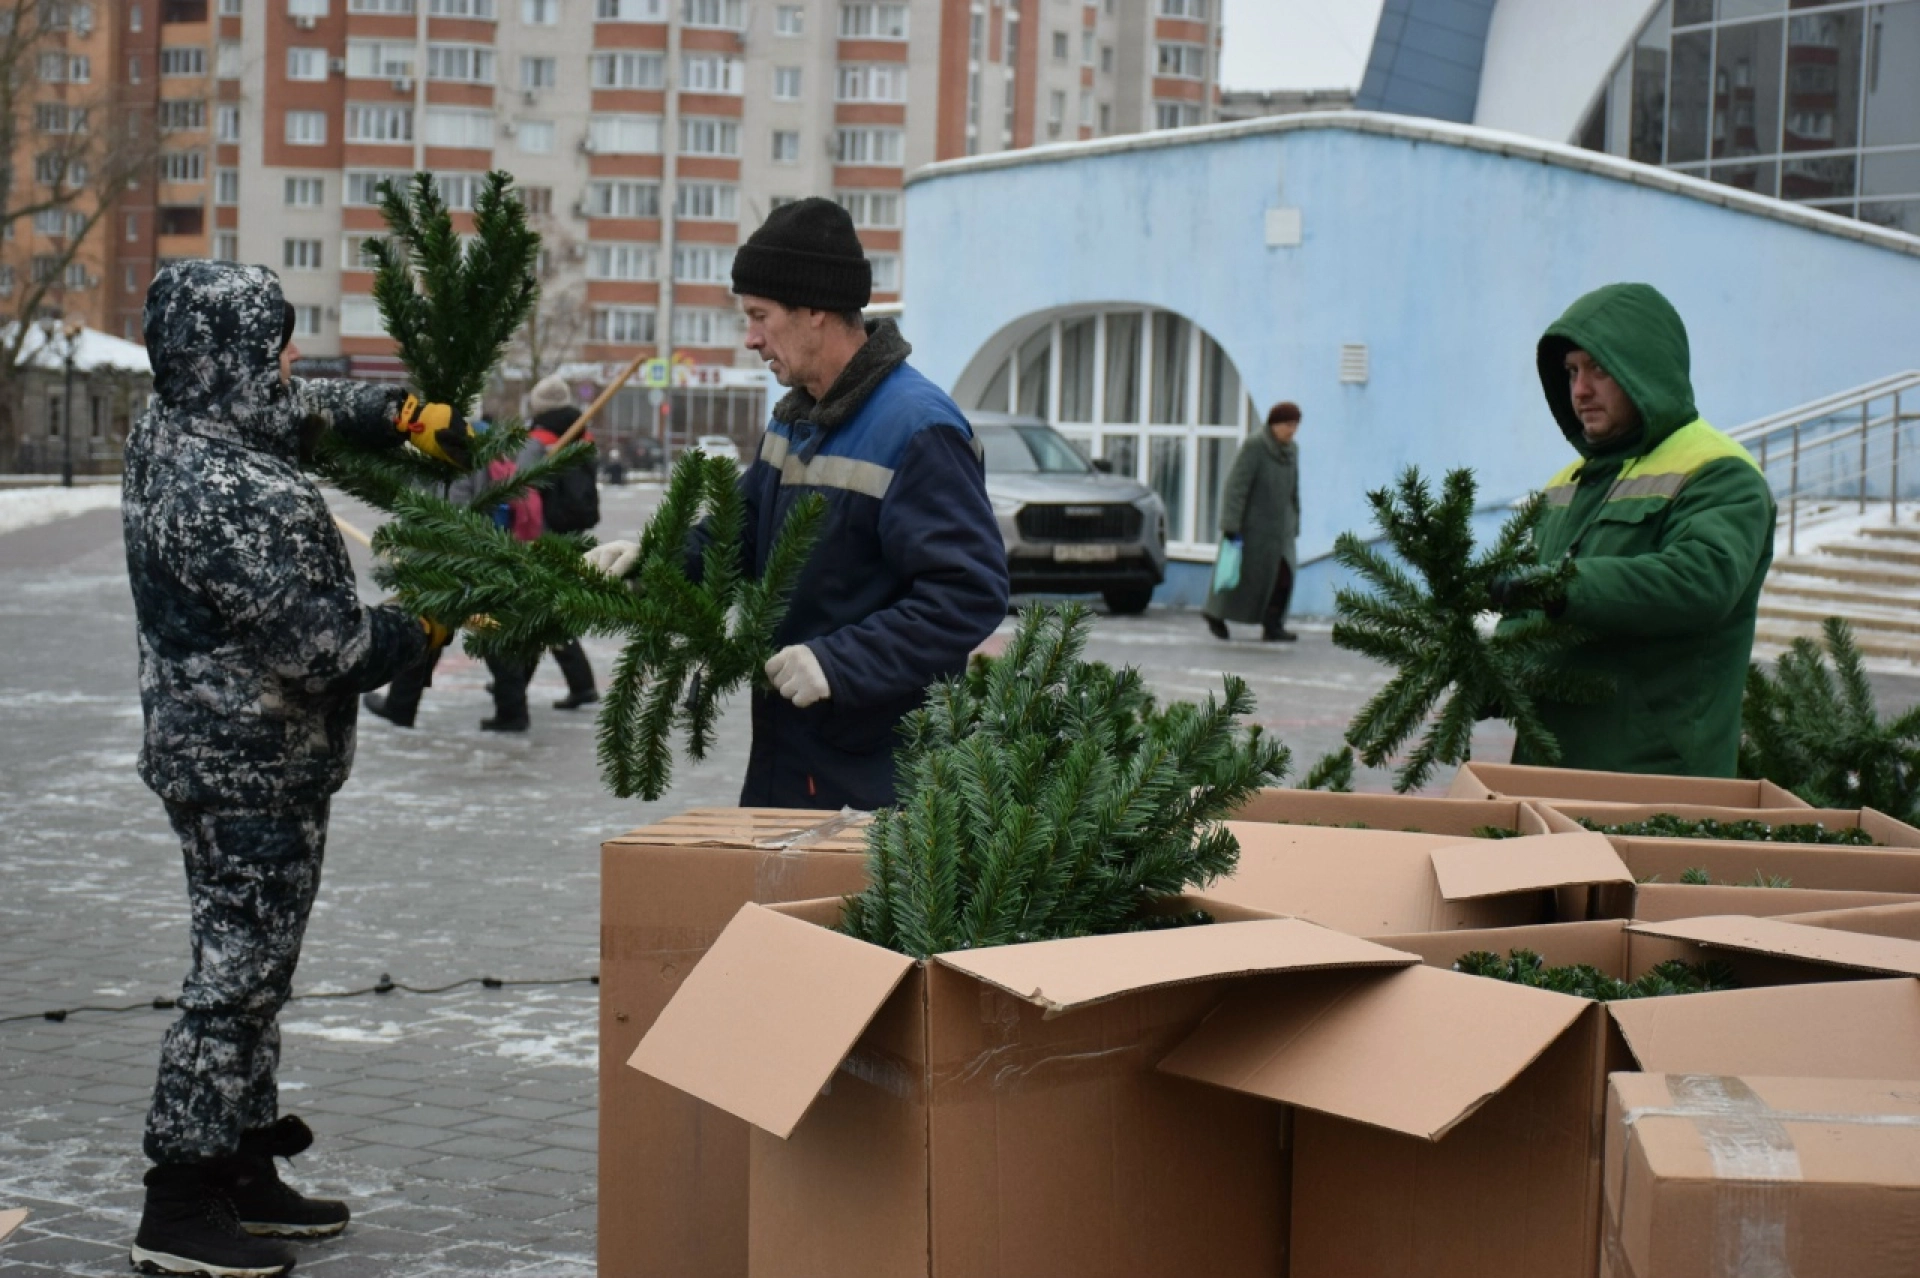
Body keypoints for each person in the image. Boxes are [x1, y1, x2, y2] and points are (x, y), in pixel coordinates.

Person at [122, 261, 469, 1277]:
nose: (284, 367)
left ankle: (240, 1160)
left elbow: (291, 404)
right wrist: (430, 620)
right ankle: (179, 1199)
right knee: (233, 980)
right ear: (224, 359)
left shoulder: (180, 421)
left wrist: (395, 413)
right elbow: (329, 652)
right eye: (268, 350)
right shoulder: (226, 489)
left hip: (225, 754)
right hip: (249, 770)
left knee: (254, 972)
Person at [585, 197, 1009, 809]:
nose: (751, 339)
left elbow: (968, 593)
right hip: (790, 750)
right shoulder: (797, 418)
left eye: (759, 316)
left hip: (876, 774)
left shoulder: (917, 429)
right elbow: (745, 530)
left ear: (814, 310)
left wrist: (839, 664)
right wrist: (653, 560)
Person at [1489, 281, 1774, 777]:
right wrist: (1483, 672)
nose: (1580, 390)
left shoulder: (1720, 471)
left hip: (1653, 779)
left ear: (1645, 369)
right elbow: (1527, 617)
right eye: (1572, 370)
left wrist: (1563, 586)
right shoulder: (1565, 486)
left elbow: (1701, 580)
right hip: (1546, 769)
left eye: (1599, 368)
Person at [361, 418, 542, 732]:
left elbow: (445, 507)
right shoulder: (472, 443)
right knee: (476, 630)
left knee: (425, 628)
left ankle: (401, 707)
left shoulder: (441, 447)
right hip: (478, 551)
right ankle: (511, 709)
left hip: (445, 555)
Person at [519, 374, 600, 712]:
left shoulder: (538, 439)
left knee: (538, 611)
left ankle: (514, 686)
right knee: (544, 611)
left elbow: (518, 482)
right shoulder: (582, 436)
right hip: (572, 532)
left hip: (542, 534)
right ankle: (519, 683)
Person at [1204, 401, 1302, 642]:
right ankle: (1215, 613)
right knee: (1238, 577)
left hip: (1281, 530)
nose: (1292, 430)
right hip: (1252, 529)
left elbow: (1293, 489)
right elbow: (1236, 486)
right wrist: (1230, 524)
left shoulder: (1292, 451)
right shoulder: (1255, 446)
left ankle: (1273, 624)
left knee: (1284, 577)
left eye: (1295, 425)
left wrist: (1296, 520)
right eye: (1288, 425)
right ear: (1274, 425)